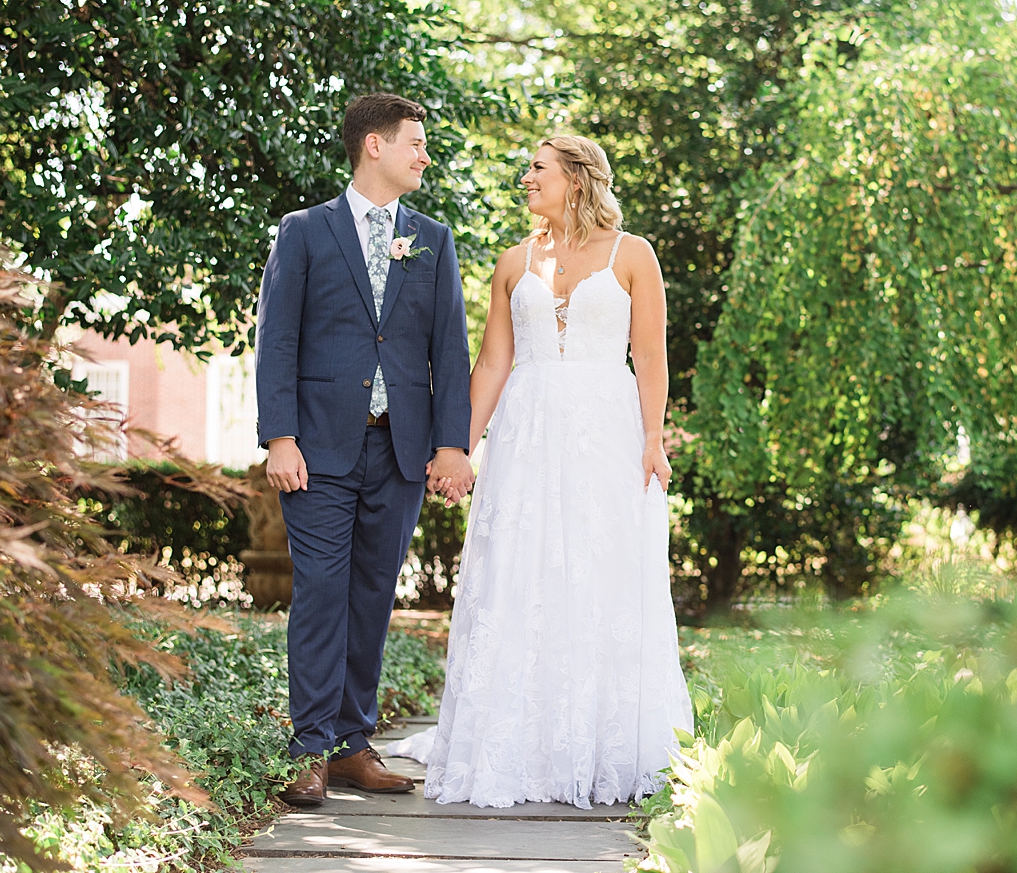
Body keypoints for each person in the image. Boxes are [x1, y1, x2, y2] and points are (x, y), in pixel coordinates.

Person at [392, 135, 693, 808]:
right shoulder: (511, 262)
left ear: (577, 182)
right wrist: (459, 448)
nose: (525, 178)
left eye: (538, 168)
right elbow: (494, 363)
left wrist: (652, 437)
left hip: (605, 432)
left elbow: (649, 354)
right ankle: (520, 738)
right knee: (520, 571)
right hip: (526, 435)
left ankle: (597, 740)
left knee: (597, 570)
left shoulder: (632, 254)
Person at [255, 93, 475, 807]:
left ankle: (352, 744)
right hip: (316, 450)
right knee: (321, 592)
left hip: (401, 451)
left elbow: (449, 346)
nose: (424, 154)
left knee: (373, 597)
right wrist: (279, 435)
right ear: (373, 146)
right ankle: (309, 745)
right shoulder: (305, 231)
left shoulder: (433, 240)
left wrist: (450, 444)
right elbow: (277, 337)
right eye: (415, 141)